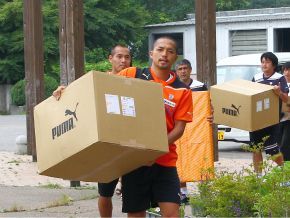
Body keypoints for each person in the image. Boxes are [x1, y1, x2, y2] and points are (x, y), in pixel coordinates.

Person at [118, 37, 193, 217]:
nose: (164, 54)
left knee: (172, 213)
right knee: (136, 214)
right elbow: (100, 85)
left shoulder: (182, 90)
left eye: (170, 51)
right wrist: (66, 90)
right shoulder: (132, 74)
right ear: (152, 54)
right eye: (160, 50)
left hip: (165, 160)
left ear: (176, 58)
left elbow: (179, 128)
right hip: (133, 160)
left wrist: (153, 150)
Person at [53, 44, 131, 218]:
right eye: (119, 56)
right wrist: (62, 92)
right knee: (105, 193)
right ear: (111, 59)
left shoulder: (137, 82)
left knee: (134, 195)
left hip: (131, 143)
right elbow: (79, 96)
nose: (123, 60)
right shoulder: (100, 81)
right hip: (107, 144)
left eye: (127, 57)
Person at [175, 59, 214, 205]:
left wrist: (211, 114)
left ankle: (204, 192)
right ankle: (183, 194)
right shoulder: (173, 86)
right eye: (180, 69)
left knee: (201, 155)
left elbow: (208, 105)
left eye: (185, 68)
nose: (183, 71)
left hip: (198, 128)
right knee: (180, 159)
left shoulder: (200, 86)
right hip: (179, 127)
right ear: (177, 71)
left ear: (190, 70)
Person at [250, 52, 289, 173]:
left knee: (272, 150)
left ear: (274, 65)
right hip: (255, 120)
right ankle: (258, 177)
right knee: (256, 149)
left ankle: (283, 170)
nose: (264, 64)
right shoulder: (256, 78)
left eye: (267, 62)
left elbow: (286, 99)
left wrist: (279, 93)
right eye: (262, 62)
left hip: (271, 120)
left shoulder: (279, 78)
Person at [278, 62, 290, 161]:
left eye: (289, 70)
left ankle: (286, 167)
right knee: (279, 145)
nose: (287, 72)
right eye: (285, 70)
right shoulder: (279, 84)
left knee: (285, 145)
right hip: (279, 118)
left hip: (289, 120)